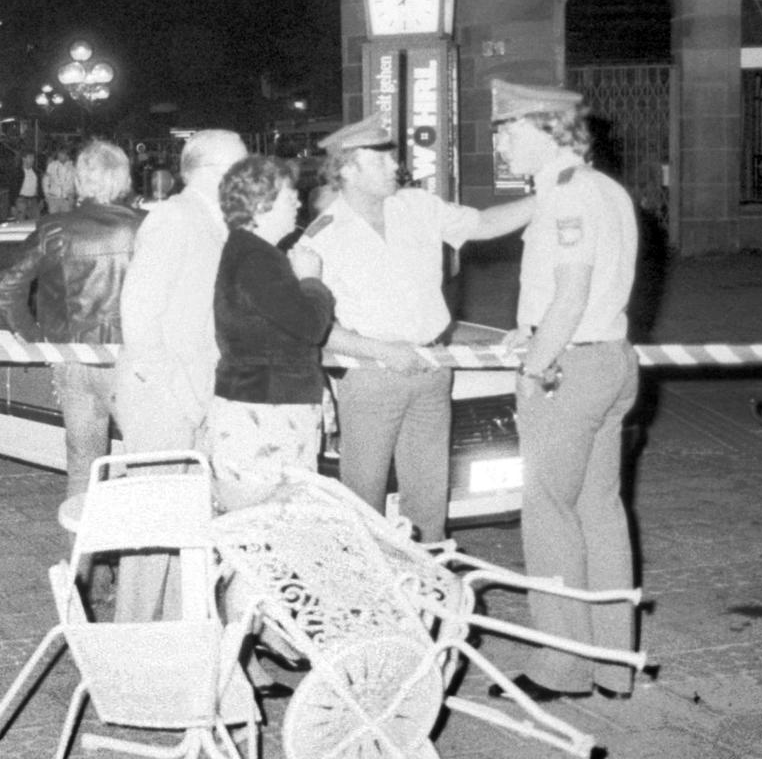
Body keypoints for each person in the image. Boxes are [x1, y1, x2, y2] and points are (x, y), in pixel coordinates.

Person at [295, 112, 535, 543]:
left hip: (431, 368)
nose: (396, 167)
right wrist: (383, 351)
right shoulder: (322, 237)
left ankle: (430, 597)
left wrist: (548, 199)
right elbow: (316, 326)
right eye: (381, 159)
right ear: (348, 168)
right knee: (362, 504)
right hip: (372, 379)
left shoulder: (419, 207)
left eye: (394, 158)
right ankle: (371, 598)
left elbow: (483, 225)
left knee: (428, 502)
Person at [482, 79, 640, 704]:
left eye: (510, 131)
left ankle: (562, 670)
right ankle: (611, 665)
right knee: (599, 512)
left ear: (550, 130)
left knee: (548, 515)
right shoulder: (603, 189)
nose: (501, 145)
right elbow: (584, 295)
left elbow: (572, 293)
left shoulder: (567, 198)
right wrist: (530, 333)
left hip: (567, 374)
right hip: (610, 363)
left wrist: (533, 366)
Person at [112, 129, 249, 622]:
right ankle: (131, 649)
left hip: (198, 395)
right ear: (211, 172)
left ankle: (180, 644)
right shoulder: (174, 219)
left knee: (190, 532)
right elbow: (140, 321)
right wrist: (186, 399)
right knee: (153, 536)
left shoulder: (219, 223)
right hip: (163, 402)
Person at [0, 139, 143, 501]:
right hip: (131, 362)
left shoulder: (55, 229)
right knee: (147, 462)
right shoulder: (145, 229)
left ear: (79, 180)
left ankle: (84, 553)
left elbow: (5, 287)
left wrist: (35, 337)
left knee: (83, 463)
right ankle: (140, 551)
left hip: (72, 360)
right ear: (123, 178)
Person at [208, 156, 334, 512]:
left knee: (257, 525)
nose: (298, 200)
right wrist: (311, 280)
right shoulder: (258, 259)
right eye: (289, 194)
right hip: (269, 411)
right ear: (259, 204)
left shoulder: (249, 251)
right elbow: (310, 326)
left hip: (257, 404)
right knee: (271, 526)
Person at [43, 147, 76, 215]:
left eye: (62, 154)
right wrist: (46, 195)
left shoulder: (73, 167)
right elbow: (45, 181)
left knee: (66, 221)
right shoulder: (52, 165)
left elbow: (75, 183)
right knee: (52, 220)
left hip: (66, 199)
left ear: (67, 156)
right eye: (59, 153)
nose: (60, 155)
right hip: (53, 199)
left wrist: (72, 196)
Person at [13, 150, 42, 221]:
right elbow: (12, 188)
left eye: (33, 158)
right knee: (21, 222)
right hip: (21, 200)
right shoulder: (17, 172)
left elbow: (39, 187)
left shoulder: (36, 172)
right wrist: (12, 205)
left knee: (36, 222)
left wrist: (41, 199)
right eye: (30, 157)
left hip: (33, 200)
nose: (33, 159)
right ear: (24, 158)